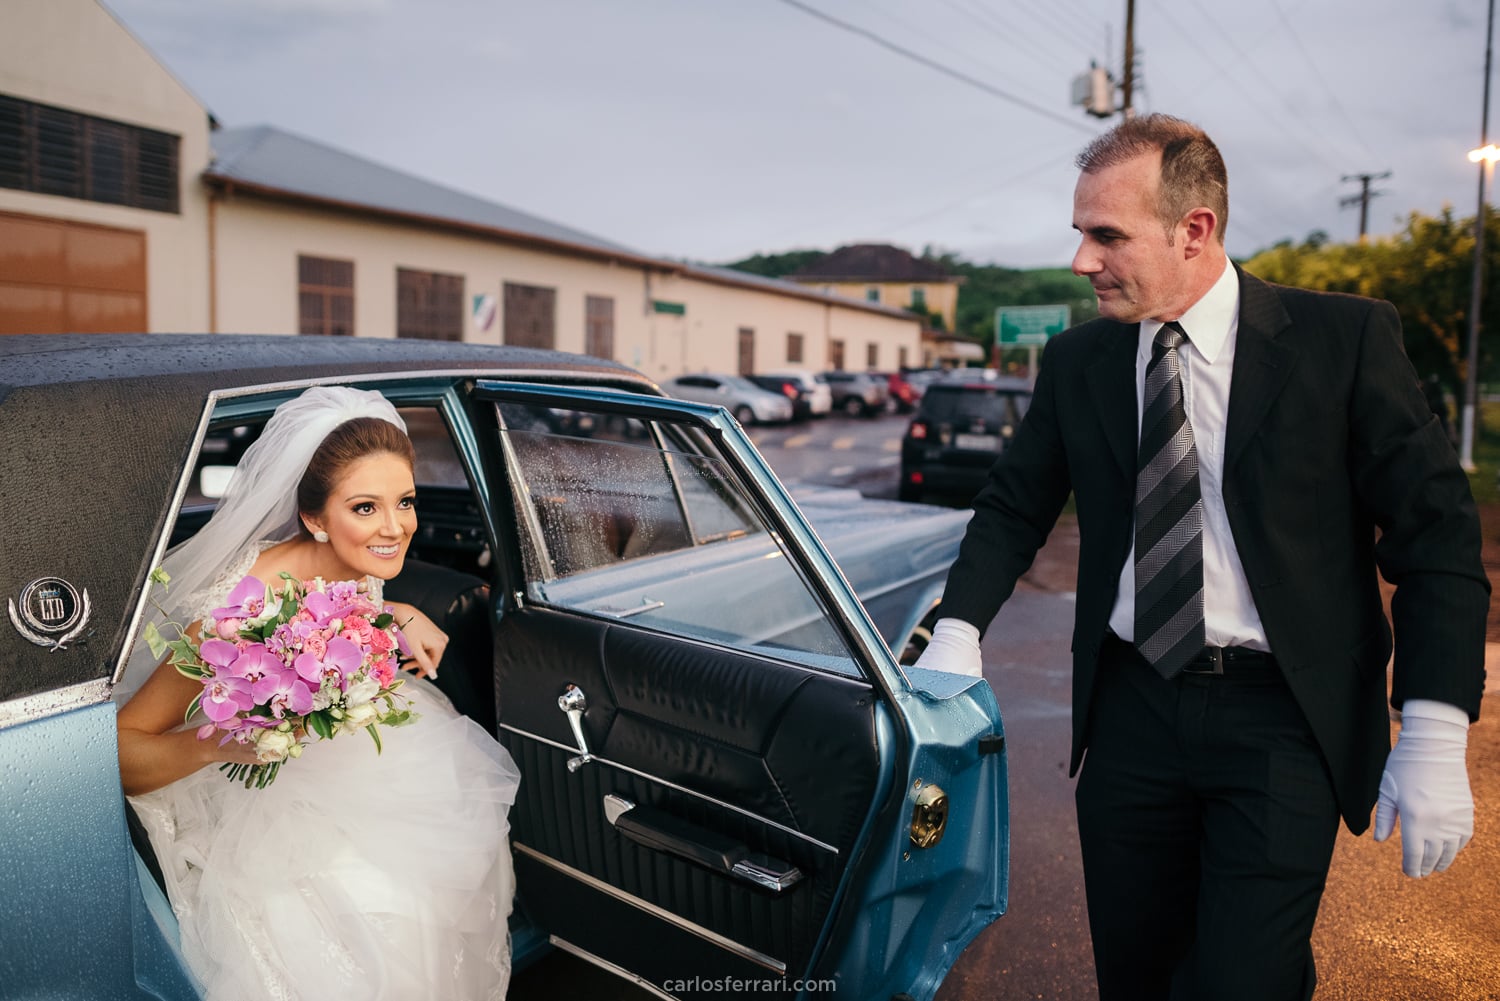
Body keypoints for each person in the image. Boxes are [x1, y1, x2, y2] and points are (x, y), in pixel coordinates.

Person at [915, 114, 1488, 1000]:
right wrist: (957, 631)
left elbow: (1437, 534)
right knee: (1137, 975)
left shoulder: (1342, 342)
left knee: (1241, 981)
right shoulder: (1080, 362)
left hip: (1282, 721)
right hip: (1133, 713)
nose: (1082, 260)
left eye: (1107, 235)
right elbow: (1013, 504)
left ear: (1195, 230)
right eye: (1080, 233)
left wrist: (1437, 725)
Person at [115, 386, 520, 1001]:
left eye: (405, 502)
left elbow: (342, 613)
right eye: (365, 508)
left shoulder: (364, 564)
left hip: (364, 772)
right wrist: (223, 742)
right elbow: (122, 749)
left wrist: (396, 614)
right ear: (313, 518)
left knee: (427, 897)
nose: (394, 528)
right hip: (249, 801)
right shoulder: (236, 611)